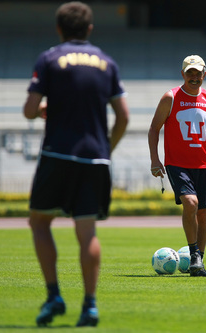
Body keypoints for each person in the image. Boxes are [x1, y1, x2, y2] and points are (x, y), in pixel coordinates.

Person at [23, 1, 129, 327]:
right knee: (88, 233)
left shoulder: (50, 58)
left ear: (59, 29)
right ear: (90, 29)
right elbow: (123, 116)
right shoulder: (107, 63)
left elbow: (29, 110)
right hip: (95, 157)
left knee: (40, 223)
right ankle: (90, 305)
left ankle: (54, 294)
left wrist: (44, 110)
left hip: (58, 154)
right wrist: (106, 149)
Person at [148, 55, 206, 277]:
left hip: (203, 164)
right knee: (191, 202)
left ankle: (199, 262)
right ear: (182, 74)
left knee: (203, 214)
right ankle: (194, 252)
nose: (194, 77)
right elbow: (154, 129)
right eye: (190, 73)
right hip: (177, 163)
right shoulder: (171, 97)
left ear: (204, 74)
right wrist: (155, 159)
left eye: (198, 73)